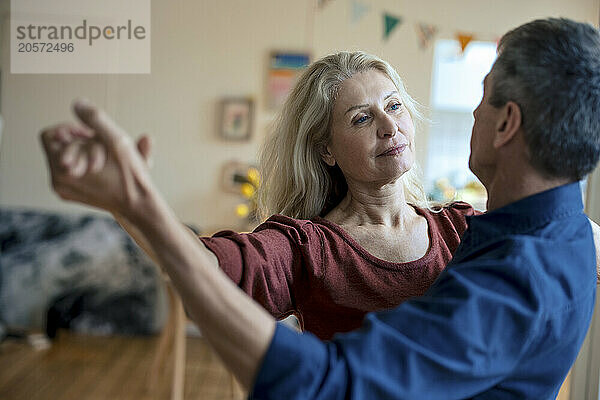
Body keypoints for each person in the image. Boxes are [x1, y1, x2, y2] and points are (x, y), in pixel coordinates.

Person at [40, 17, 599, 398]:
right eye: (361, 118)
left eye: (395, 105)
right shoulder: (311, 244)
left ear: (507, 124)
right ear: (326, 150)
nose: (389, 125)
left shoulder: (473, 235)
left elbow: (335, 385)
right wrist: (135, 206)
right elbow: (212, 265)